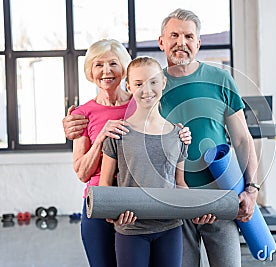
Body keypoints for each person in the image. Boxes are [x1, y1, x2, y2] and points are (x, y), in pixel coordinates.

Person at [64, 9, 260, 267]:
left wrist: (252, 188)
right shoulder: (149, 85)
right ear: (161, 42)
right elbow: (112, 118)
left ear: (198, 43)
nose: (181, 42)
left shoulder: (218, 79)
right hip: (167, 205)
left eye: (189, 36)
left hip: (215, 195)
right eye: (174, 35)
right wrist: (73, 122)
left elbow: (243, 139)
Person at [68, 39, 192, 267]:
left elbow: (164, 135)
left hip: (142, 207)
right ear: (90, 71)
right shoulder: (81, 113)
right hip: (102, 203)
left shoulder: (140, 101)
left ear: (123, 69)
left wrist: (182, 135)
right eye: (98, 64)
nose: (106, 71)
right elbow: (82, 173)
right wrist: (102, 138)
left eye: (113, 63)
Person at [99, 56, 215, 267]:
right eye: (138, 83)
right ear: (128, 86)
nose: (147, 89)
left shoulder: (178, 135)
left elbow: (180, 185)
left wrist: (195, 211)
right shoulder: (118, 133)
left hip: (170, 228)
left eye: (153, 81)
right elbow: (105, 185)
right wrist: (113, 215)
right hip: (131, 229)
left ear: (163, 82)